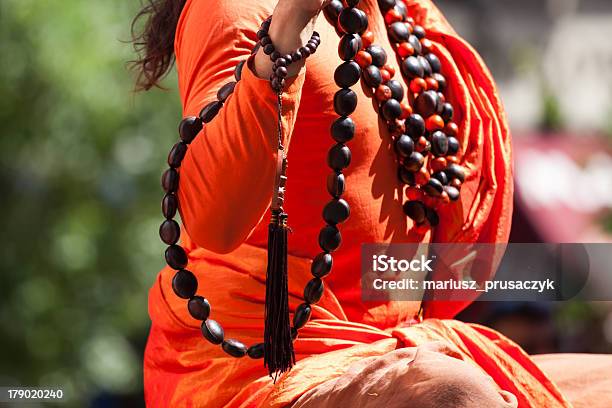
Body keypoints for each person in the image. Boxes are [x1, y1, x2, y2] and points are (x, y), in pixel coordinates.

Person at [132, 0, 611, 406]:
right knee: (452, 394)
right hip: (261, 371)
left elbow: (440, 262)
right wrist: (287, 30)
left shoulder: (397, 16)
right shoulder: (233, 8)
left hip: (402, 350)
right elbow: (214, 217)